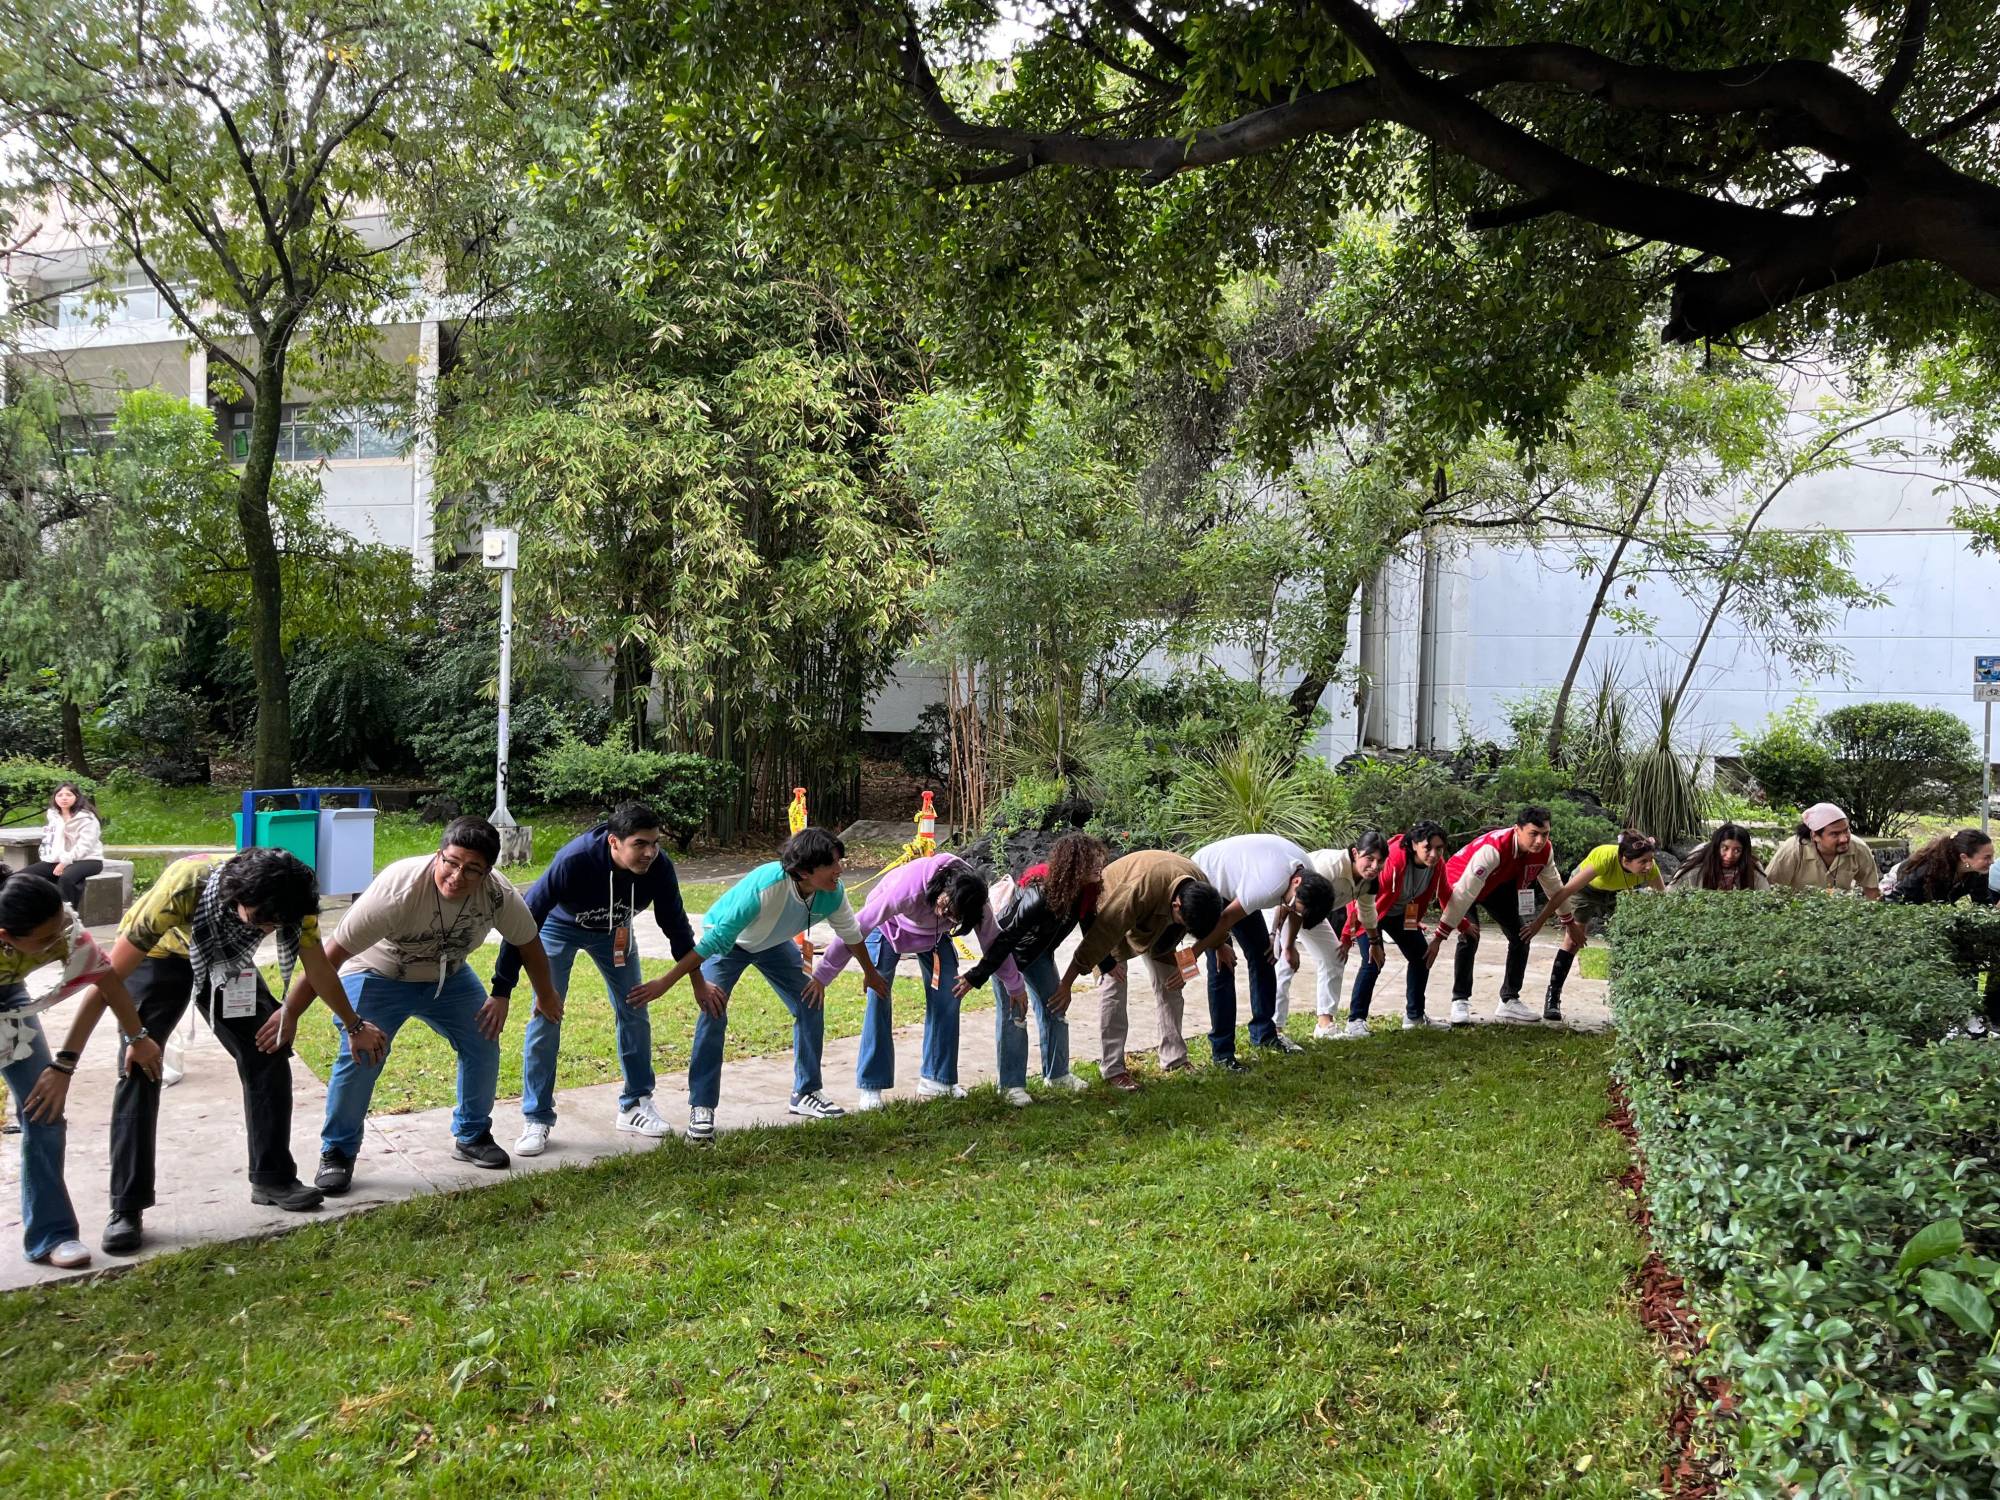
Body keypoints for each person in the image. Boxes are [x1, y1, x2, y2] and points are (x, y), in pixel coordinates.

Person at [74, 847, 381, 1254]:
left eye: (277, 925)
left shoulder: (294, 895)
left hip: (226, 963)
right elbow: (109, 975)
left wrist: (350, 1024)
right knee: (140, 1068)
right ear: (235, 899)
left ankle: (272, 1178)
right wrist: (111, 1045)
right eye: (261, 922)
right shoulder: (186, 886)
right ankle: (126, 1207)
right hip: (160, 957)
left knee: (269, 1049)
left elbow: (318, 966)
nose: (270, 929)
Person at [257, 817, 565, 1194]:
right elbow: (330, 956)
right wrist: (291, 1012)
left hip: (448, 976)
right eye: (450, 862)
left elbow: (529, 943)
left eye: (472, 869)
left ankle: (472, 1135)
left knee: (482, 1037)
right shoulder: (399, 889)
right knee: (363, 1055)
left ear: (487, 873)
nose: (456, 875)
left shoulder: (498, 894)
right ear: (439, 854)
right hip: (376, 972)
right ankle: (337, 1152)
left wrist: (545, 994)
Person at [491, 802, 717, 1157]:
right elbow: (523, 922)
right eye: (640, 844)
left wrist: (697, 981)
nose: (650, 852)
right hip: (557, 930)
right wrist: (502, 989)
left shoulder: (658, 867)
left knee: (635, 1008)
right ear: (614, 842)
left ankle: (635, 1104)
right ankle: (536, 1117)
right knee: (546, 1015)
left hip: (615, 933)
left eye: (655, 843)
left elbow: (675, 924)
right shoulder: (574, 861)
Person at [659, 827, 889, 1142]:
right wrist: (666, 982)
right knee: (713, 1010)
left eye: (840, 862)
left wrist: (871, 972)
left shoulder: (832, 892)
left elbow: (851, 933)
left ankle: (806, 1092)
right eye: (833, 864)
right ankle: (701, 1107)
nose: (841, 870)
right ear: (805, 871)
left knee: (810, 999)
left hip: (773, 944)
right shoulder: (766, 888)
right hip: (731, 943)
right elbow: (710, 943)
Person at [0, 869, 161, 1268]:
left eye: (59, 929)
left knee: (44, 1111)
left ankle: (51, 1235)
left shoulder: (62, 925)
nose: (58, 942)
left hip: (8, 999)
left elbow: (106, 981)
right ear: (6, 936)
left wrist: (138, 1037)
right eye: (45, 941)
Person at [812, 851, 1020, 1109]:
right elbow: (858, 927)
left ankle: (937, 1079)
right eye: (946, 909)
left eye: (954, 918)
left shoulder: (974, 900)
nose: (947, 916)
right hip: (889, 927)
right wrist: (823, 974)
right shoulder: (908, 890)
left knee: (949, 992)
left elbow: (992, 939)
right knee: (879, 996)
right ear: (943, 888)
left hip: (933, 938)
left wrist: (1015, 984)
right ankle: (871, 1086)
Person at [1051, 851, 1225, 1091]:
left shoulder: (1200, 890)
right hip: (1113, 909)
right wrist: (1067, 982)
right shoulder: (1139, 889)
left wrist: (1220, 945)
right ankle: (1113, 1069)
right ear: (1177, 905)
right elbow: (1098, 937)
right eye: (1184, 923)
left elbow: (1214, 926)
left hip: (1160, 926)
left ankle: (1174, 1058)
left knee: (1172, 985)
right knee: (1114, 986)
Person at [953, 832, 1105, 1105]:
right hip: (1009, 958)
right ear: (1074, 865)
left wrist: (1107, 963)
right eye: (1092, 860)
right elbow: (1006, 938)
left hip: (1040, 956)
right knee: (1015, 1016)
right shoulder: (1039, 893)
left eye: (1099, 859)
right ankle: (1011, 1086)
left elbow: (1090, 929)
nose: (1100, 865)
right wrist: (977, 976)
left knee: (1056, 1008)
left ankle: (1058, 1074)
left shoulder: (1086, 891)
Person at [1185, 834, 1340, 1067]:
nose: (1296, 908)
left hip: (1239, 880)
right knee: (1222, 966)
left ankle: (1264, 1035)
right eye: (1297, 903)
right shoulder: (1267, 885)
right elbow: (1225, 919)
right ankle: (1222, 1052)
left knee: (1265, 955)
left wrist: (1287, 945)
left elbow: (1296, 911)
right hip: (1208, 880)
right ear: (1296, 883)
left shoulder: (1308, 874)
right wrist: (1200, 952)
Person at [1428, 805, 1586, 1026]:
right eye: (1533, 834)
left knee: (1522, 934)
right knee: (1470, 934)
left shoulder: (1544, 850)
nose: (1539, 840)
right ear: (1517, 830)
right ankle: (1460, 1000)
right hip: (1461, 880)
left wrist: (1570, 924)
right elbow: (1465, 892)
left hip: (1497, 885)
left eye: (1545, 834)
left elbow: (1555, 887)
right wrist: (1439, 936)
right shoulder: (1493, 848)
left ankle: (1509, 1000)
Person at [1523, 831, 1664, 1021]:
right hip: (1587, 890)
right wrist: (1539, 922)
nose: (1649, 866)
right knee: (1573, 941)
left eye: (1650, 860)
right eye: (1643, 862)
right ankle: (1553, 998)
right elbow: (1563, 893)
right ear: (1625, 860)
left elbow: (1662, 899)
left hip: (1617, 891)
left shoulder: (1650, 867)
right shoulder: (1604, 859)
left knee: (1629, 941)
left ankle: (1627, 1003)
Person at [1336, 821, 1452, 1038]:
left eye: (1439, 849)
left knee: (1421, 955)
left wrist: (1460, 925)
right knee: (1373, 960)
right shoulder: (1394, 860)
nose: (1434, 854)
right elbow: (1362, 898)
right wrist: (1349, 934)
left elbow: (1446, 894)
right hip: (1369, 912)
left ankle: (1414, 1017)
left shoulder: (1436, 864)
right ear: (1415, 844)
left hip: (1400, 914)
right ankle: (1355, 1020)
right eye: (1428, 848)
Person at [1271, 832, 1389, 1040]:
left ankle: (1325, 1025)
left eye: (1380, 861)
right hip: (1284, 906)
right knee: (1284, 962)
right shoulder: (1330, 865)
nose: (1374, 866)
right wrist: (1289, 945)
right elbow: (1298, 898)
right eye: (1369, 858)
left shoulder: (1369, 881)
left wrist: (1374, 942)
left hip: (1312, 912)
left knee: (1334, 957)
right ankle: (1274, 1029)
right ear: (1355, 853)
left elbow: (1367, 910)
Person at [1885, 827, 1999, 1036]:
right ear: (1965, 857)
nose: (1992, 862)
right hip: (1902, 906)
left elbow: (1982, 905)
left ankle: (1968, 1014)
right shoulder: (1928, 870)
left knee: (1967, 954)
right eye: (1987, 857)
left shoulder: (1976, 872)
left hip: (1935, 911)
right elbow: (1894, 905)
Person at [1764, 802, 1882, 899]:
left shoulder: (1859, 848)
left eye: (1846, 830)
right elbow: (1768, 890)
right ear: (1815, 836)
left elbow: (1871, 890)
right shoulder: (1793, 850)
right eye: (1834, 834)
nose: (1844, 838)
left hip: (1839, 914)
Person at [21, 782, 105, 908]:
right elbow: (51, 840)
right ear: (55, 798)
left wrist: (63, 863)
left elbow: (84, 846)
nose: (64, 798)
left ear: (76, 797)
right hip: (59, 858)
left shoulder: (87, 818)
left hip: (88, 860)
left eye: (68, 795)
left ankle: (68, 917)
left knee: (66, 879)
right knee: (22, 877)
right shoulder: (54, 816)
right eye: (60, 795)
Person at [1670, 823, 1769, 891]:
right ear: (1717, 847)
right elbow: (1670, 895)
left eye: (1737, 850)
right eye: (1725, 848)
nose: (1729, 856)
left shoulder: (1752, 869)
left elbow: (1766, 899)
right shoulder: (1696, 867)